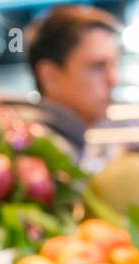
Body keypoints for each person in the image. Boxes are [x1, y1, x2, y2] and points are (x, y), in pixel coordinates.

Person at [13, 5, 121, 162]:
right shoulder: (38, 157)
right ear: (50, 76)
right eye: (98, 66)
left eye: (114, 65)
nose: (113, 80)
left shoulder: (70, 146)